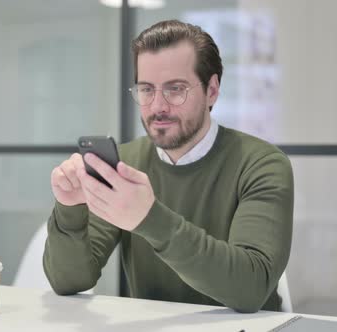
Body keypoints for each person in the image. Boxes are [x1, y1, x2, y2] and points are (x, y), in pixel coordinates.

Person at [43, 19, 294, 313]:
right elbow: (69, 282)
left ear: (212, 90)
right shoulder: (125, 164)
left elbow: (251, 288)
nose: (158, 106)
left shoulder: (261, 164)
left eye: (175, 89)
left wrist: (148, 217)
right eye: (146, 89)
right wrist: (70, 209)